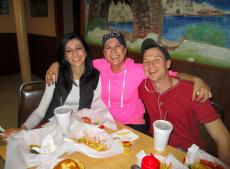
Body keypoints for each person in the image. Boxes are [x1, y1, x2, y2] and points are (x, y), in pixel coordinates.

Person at [45, 31, 212, 133]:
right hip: (105, 122)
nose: (113, 51)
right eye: (108, 47)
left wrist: (197, 79)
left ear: (125, 51)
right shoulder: (99, 65)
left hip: (133, 125)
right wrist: (56, 64)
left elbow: (170, 73)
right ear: (104, 53)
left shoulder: (139, 69)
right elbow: (76, 60)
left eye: (118, 46)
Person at [138, 38, 230, 165]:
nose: (151, 65)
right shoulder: (143, 86)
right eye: (146, 61)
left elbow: (223, 138)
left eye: (157, 60)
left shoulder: (192, 93)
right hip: (154, 147)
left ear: (168, 64)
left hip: (185, 154)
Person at [1, 32, 107, 142]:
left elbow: (94, 110)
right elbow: (40, 112)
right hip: (52, 126)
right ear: (65, 56)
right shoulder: (55, 74)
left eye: (78, 48)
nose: (75, 54)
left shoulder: (96, 77)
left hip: (78, 129)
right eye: (69, 50)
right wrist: (23, 128)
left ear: (85, 51)